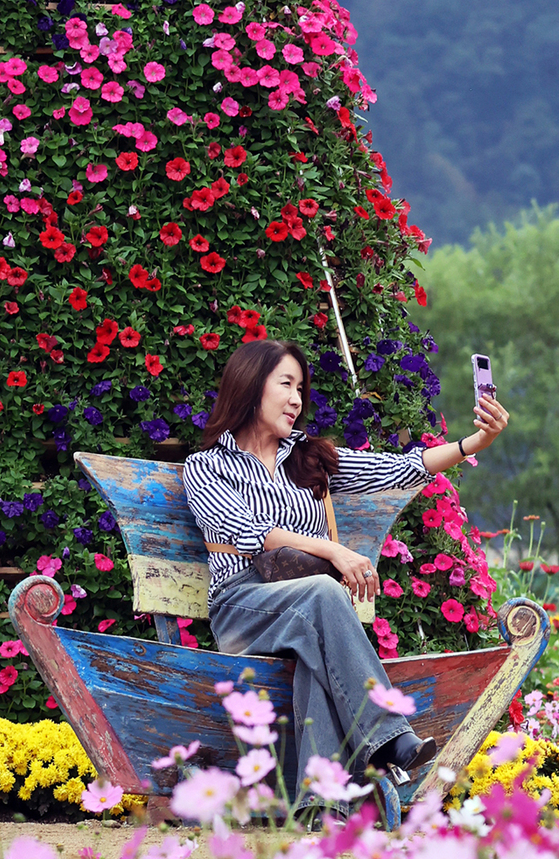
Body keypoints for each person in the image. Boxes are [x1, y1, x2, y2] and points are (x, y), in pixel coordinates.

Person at [182, 338, 511, 798]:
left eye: (301, 388)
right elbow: (244, 531)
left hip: (309, 613)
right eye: (286, 384)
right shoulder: (207, 466)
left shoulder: (307, 458)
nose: (297, 399)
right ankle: (390, 738)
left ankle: (320, 803)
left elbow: (397, 468)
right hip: (244, 607)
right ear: (250, 386)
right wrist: (333, 552)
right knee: (322, 593)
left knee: (314, 659)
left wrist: (475, 442)